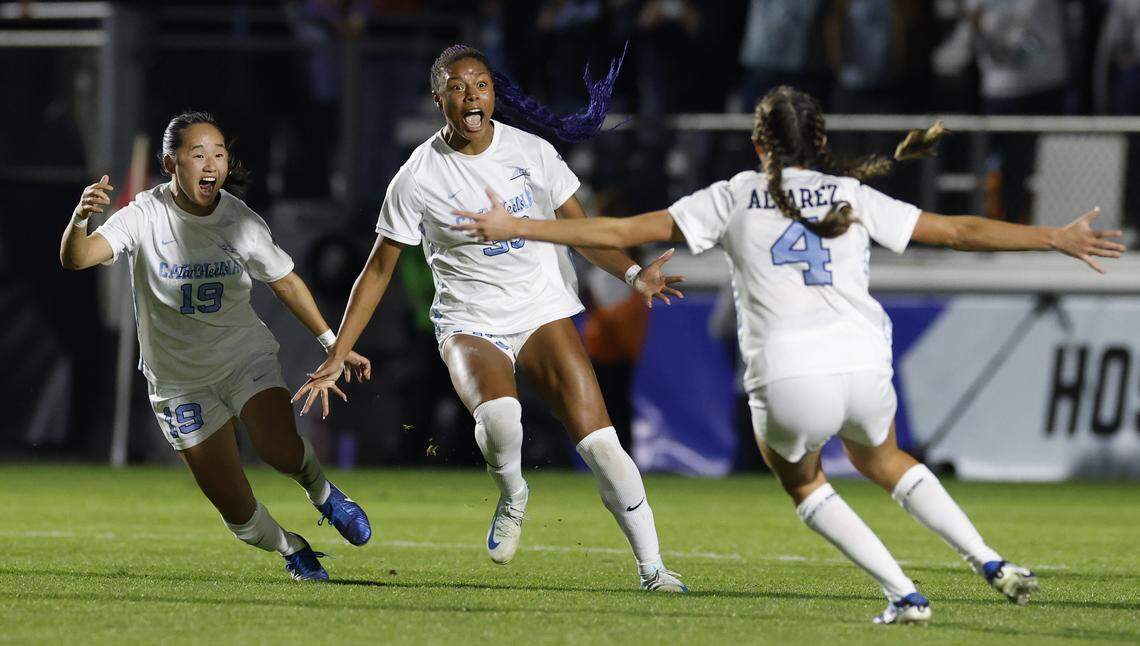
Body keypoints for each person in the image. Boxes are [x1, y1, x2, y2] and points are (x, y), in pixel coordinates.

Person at [452, 86, 1126, 623]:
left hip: (788, 375)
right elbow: (957, 230)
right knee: (885, 458)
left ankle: (904, 592)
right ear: (823, 143)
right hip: (865, 365)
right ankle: (988, 559)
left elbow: (624, 230)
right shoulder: (851, 195)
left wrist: (519, 225)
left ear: (757, 144)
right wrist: (1052, 237)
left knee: (803, 479)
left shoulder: (734, 196)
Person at [292, 44, 689, 592]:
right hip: (468, 319)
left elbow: (585, 232)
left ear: (493, 93)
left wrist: (631, 276)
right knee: (502, 418)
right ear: (439, 100)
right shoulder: (418, 176)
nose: (471, 95)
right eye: (457, 87)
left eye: (479, 83)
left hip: (542, 308)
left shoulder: (532, 152)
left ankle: (654, 570)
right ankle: (513, 493)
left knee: (603, 447)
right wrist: (338, 349)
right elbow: (378, 271)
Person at [59, 111, 374, 582]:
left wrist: (333, 343)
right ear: (171, 163)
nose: (212, 165)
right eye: (198, 154)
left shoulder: (239, 221)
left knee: (279, 449)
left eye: (220, 154)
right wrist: (80, 218)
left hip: (241, 355)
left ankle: (323, 493)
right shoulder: (143, 215)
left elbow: (284, 282)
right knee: (239, 513)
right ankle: (293, 547)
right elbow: (77, 258)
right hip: (178, 381)